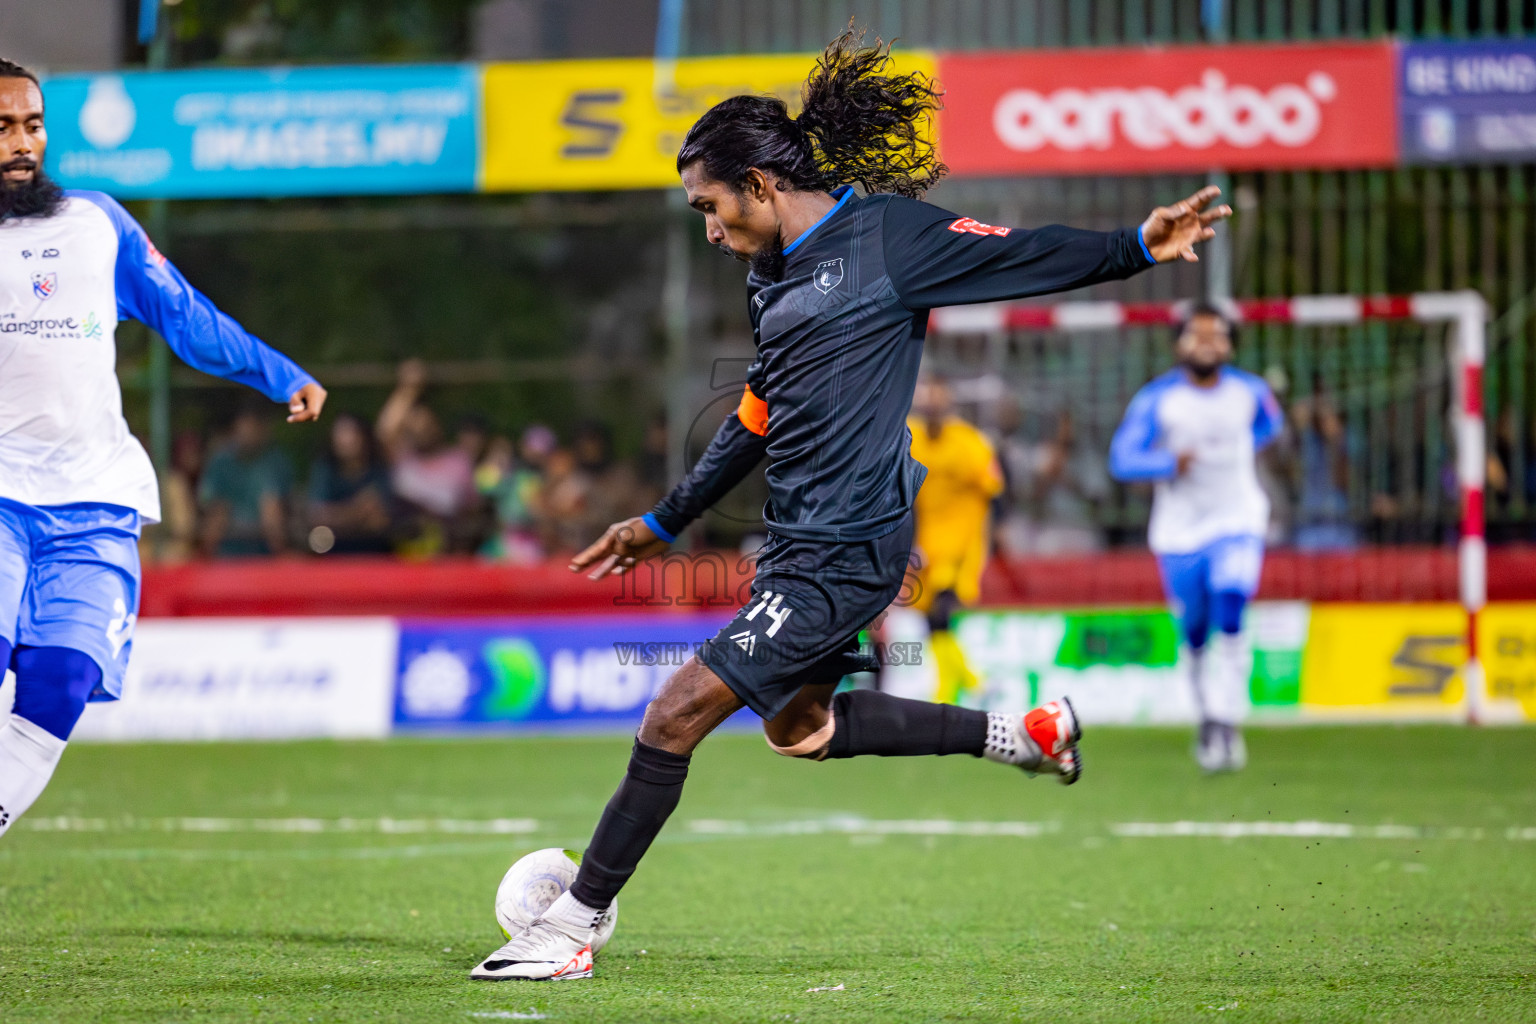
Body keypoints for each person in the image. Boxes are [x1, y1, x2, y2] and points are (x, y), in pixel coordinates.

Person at [469, 30, 1229, 981]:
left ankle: (571, 927)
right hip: (801, 545)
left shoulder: (889, 240)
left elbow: (1020, 254)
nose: (708, 229)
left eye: (710, 207)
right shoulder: (768, 276)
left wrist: (1136, 247)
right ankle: (1025, 737)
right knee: (803, 731)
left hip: (847, 550)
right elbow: (756, 416)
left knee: (672, 716)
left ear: (758, 182)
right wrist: (663, 521)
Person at [0, 59, 325, 838]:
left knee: (64, 681)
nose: (22, 144)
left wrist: (278, 373)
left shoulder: (97, 222)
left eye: (32, 125)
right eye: (3, 128)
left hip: (94, 500)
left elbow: (186, 316)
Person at [1108, 303, 1283, 773]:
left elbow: (1271, 427)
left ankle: (1229, 720)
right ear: (1178, 343)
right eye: (1197, 335)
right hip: (1180, 531)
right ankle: (1207, 717)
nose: (1207, 343)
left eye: (1216, 335)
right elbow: (1122, 459)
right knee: (1195, 631)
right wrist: (1167, 463)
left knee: (1232, 603)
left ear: (1230, 343)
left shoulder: (1251, 392)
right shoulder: (1157, 400)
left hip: (1238, 519)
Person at [905, 374, 1003, 704]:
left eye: (937, 399)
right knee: (931, 619)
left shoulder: (970, 444)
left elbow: (996, 492)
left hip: (962, 544)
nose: (931, 407)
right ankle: (964, 685)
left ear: (949, 403)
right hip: (925, 546)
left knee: (941, 614)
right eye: (925, 400)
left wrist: (995, 537)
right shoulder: (909, 437)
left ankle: (956, 690)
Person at [199, 403, 295, 557]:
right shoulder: (221, 462)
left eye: (254, 425)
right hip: (226, 552)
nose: (248, 431)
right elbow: (215, 512)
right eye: (245, 424)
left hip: (266, 553)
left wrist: (280, 551)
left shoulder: (276, 461)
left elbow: (274, 513)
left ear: (264, 428)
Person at [307, 412, 393, 554]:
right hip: (332, 551)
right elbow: (317, 517)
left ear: (364, 437)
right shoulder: (324, 468)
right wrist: (357, 510)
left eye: (351, 432)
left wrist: (336, 516)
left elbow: (379, 522)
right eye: (340, 433)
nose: (346, 440)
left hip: (374, 550)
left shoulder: (378, 470)